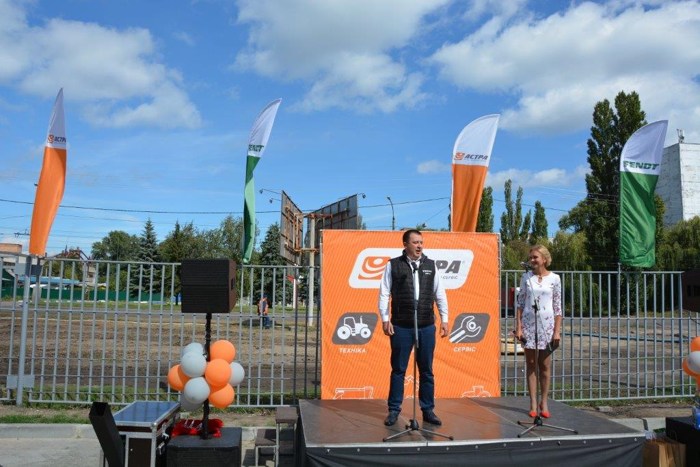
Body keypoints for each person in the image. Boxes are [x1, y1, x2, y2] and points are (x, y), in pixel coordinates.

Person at [378, 229, 449, 427]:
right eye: (415, 242)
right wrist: (385, 318)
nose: (419, 246)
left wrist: (445, 319)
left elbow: (440, 293)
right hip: (401, 326)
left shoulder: (430, 265)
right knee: (398, 370)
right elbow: (384, 293)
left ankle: (428, 410)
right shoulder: (393, 265)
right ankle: (394, 410)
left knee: (426, 370)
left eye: (421, 242)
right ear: (405, 244)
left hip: (426, 325)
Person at [515, 245, 562, 418]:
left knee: (544, 365)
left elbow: (557, 306)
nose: (532, 260)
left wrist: (557, 331)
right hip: (529, 325)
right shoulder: (526, 277)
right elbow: (520, 303)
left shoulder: (555, 278)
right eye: (531, 257)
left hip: (547, 327)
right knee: (531, 364)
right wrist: (519, 327)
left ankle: (544, 401)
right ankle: (533, 403)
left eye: (535, 257)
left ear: (544, 259)